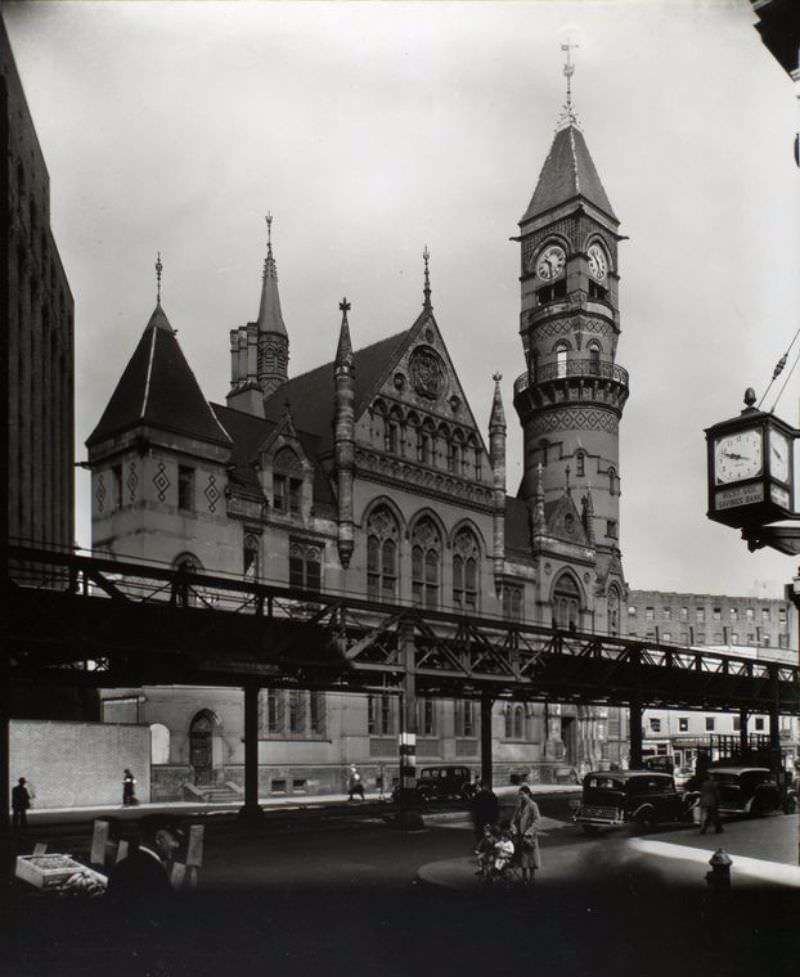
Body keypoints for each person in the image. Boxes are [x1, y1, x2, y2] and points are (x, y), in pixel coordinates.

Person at [107, 816, 179, 906]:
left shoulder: (120, 866)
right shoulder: (155, 871)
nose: (177, 845)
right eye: (174, 839)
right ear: (159, 838)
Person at [509, 784, 542, 884]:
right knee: (522, 857)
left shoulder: (533, 805)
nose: (521, 796)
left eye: (522, 794)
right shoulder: (519, 806)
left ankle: (532, 877)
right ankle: (524, 877)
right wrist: (513, 828)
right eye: (519, 794)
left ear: (528, 794)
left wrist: (529, 832)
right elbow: (513, 820)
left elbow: (537, 820)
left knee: (531, 857)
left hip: (529, 836)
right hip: (520, 835)